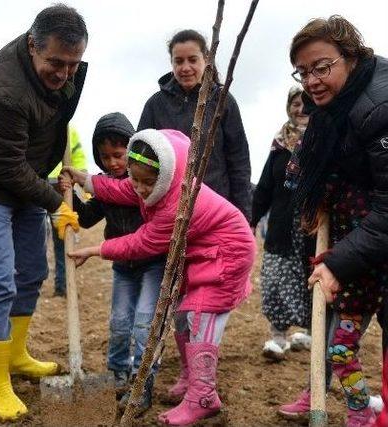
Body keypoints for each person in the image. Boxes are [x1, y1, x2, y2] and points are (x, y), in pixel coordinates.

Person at [63, 128, 255, 425]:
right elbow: (119, 189)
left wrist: (96, 249)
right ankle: (192, 377)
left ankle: (203, 396)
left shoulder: (177, 202)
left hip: (228, 254)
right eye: (135, 179)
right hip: (203, 254)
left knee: (198, 315)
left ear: (164, 176)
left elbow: (141, 243)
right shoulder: (151, 182)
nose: (139, 188)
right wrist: (84, 179)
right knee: (180, 316)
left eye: (146, 183)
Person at [0, 4, 87, 421]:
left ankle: (16, 353)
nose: (64, 73)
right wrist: (56, 203)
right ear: (33, 46)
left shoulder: (64, 69)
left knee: (32, 273)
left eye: (72, 64)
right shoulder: (2, 93)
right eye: (55, 63)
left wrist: (53, 172)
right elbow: (6, 169)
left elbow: (58, 112)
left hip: (28, 174)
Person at [277, 16, 388, 426]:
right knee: (340, 345)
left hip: (368, 252)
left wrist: (338, 263)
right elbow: (298, 166)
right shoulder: (330, 110)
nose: (311, 80)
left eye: (321, 67)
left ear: (352, 58)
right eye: (303, 72)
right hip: (357, 249)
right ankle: (356, 410)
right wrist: (312, 193)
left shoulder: (380, 107)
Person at [67, 113, 165, 414]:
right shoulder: (105, 187)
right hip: (123, 266)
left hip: (152, 263)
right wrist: (67, 192)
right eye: (105, 157)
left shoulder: (145, 183)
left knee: (144, 322)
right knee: (120, 322)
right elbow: (85, 218)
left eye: (118, 155)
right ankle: (117, 373)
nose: (112, 163)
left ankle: (141, 380)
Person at [138, 29, 252, 221]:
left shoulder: (223, 101)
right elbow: (139, 158)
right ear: (171, 63)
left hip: (216, 210)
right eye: (179, 61)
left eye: (192, 59)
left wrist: (243, 215)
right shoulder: (155, 105)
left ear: (206, 59)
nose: (185, 67)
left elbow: (239, 162)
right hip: (168, 212)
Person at [251, 87, 314, 361]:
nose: (300, 110)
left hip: (313, 230)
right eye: (295, 104)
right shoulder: (279, 145)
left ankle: (313, 333)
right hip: (281, 228)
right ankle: (278, 337)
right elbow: (264, 187)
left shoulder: (326, 141)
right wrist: (249, 221)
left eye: (305, 104)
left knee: (312, 282)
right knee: (276, 281)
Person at [47, 126, 87, 297]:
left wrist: (81, 178)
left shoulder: (69, 129)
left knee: (62, 236)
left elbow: (77, 157)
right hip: (38, 183)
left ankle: (62, 284)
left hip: (60, 186)